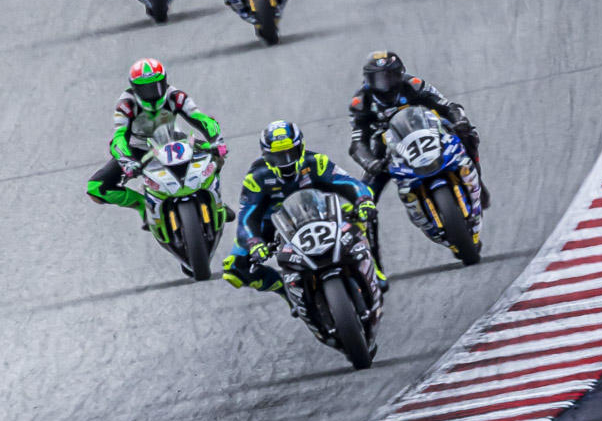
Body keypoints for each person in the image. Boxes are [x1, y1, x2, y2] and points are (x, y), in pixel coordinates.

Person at [224, 121, 381, 296]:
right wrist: (255, 243)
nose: (286, 162)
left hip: (319, 212)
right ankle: (285, 291)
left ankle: (370, 267)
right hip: (273, 224)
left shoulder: (317, 162)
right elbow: (246, 218)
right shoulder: (255, 177)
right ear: (266, 156)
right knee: (234, 268)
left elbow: (351, 183)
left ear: (301, 147)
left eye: (290, 153)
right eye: (278, 156)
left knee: (358, 217)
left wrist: (364, 200)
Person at [348, 49, 488, 209]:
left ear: (400, 73)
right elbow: (357, 142)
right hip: (388, 142)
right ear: (368, 79)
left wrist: (460, 121)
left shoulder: (413, 84)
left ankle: (477, 179)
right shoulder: (360, 102)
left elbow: (447, 106)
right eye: (379, 79)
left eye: (390, 76)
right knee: (367, 187)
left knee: (467, 133)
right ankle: (363, 218)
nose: (385, 83)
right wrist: (370, 163)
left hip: (424, 125)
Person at [87, 58, 226, 214]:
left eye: (156, 86)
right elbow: (119, 136)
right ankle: (144, 206)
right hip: (138, 149)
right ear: (134, 88)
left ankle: (214, 198)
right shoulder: (126, 104)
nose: (151, 93)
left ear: (164, 81)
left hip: (174, 140)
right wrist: (126, 160)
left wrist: (216, 140)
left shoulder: (176, 96)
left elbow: (200, 118)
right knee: (96, 188)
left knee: (214, 154)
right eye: (144, 89)